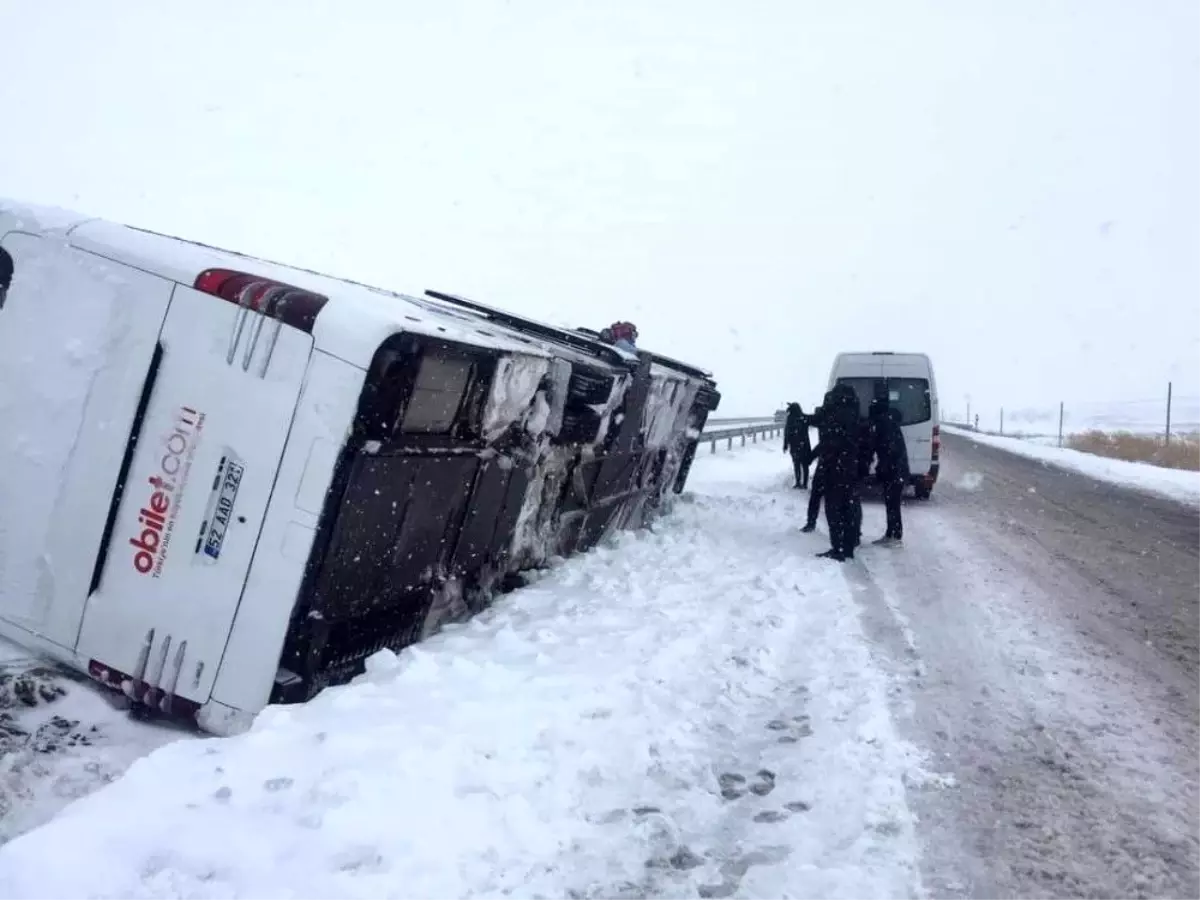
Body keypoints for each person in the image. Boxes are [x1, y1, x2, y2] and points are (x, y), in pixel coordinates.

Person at [813, 384, 863, 561]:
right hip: (851, 469)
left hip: (834, 469)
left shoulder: (835, 415)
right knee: (850, 508)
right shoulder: (856, 414)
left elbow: (828, 442)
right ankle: (848, 547)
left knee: (834, 510)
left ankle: (838, 548)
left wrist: (816, 456)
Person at [871, 403, 910, 544]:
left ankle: (895, 537)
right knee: (892, 504)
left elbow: (888, 451)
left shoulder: (884, 426)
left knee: (892, 504)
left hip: (894, 472)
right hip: (897, 471)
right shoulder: (891, 424)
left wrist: (882, 469)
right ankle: (891, 534)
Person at [782, 402, 811, 489]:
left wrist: (785, 444)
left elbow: (787, 433)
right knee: (805, 465)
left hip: (794, 445)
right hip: (804, 445)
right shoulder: (804, 417)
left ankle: (798, 482)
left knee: (796, 464)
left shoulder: (790, 418)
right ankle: (805, 484)